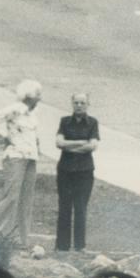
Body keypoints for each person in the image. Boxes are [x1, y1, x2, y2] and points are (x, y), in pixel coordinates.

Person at [0, 78, 43, 249]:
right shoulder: (15, 109)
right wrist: (6, 136)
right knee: (11, 196)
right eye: (37, 95)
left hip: (31, 157)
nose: (39, 98)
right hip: (16, 156)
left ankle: (21, 238)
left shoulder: (32, 114)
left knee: (26, 198)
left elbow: (32, 135)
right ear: (29, 96)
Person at [55, 92, 100, 252]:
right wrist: (81, 142)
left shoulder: (93, 122)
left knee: (81, 207)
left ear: (88, 104)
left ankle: (80, 246)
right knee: (64, 206)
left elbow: (92, 146)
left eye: (82, 103)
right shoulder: (65, 121)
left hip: (84, 171)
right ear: (72, 103)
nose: (79, 105)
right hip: (65, 170)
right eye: (76, 102)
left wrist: (70, 146)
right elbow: (59, 143)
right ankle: (62, 246)